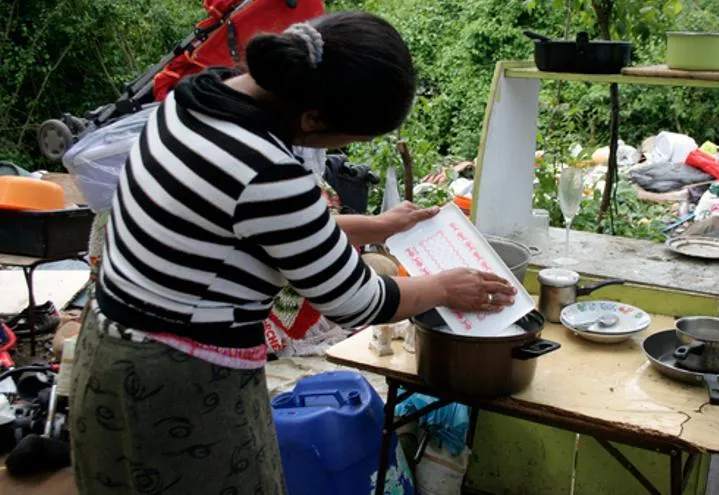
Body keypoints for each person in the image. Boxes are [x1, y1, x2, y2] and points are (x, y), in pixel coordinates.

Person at [69, 12, 516, 494]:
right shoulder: (269, 170)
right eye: (354, 137)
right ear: (313, 120)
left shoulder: (195, 100)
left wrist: (381, 225)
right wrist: (446, 287)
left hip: (110, 345)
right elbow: (356, 301)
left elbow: (255, 227)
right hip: (178, 380)